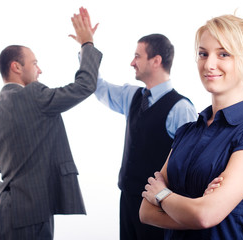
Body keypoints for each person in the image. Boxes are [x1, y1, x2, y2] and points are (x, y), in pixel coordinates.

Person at [0, 7, 102, 240]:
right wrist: (87, 43)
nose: (40, 70)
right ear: (16, 67)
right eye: (35, 63)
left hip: (3, 212)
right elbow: (85, 86)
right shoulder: (36, 96)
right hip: (33, 211)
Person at [140, 14, 243, 240]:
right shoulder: (186, 132)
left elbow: (205, 215)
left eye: (223, 54)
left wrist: (162, 195)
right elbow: (146, 212)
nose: (209, 64)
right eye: (203, 54)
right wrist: (195, 209)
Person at [74, 9, 197, 240]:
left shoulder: (181, 109)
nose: (132, 62)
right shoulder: (132, 96)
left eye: (137, 56)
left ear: (156, 60)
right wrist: (86, 47)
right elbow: (97, 86)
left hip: (159, 206)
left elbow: (192, 164)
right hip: (128, 200)